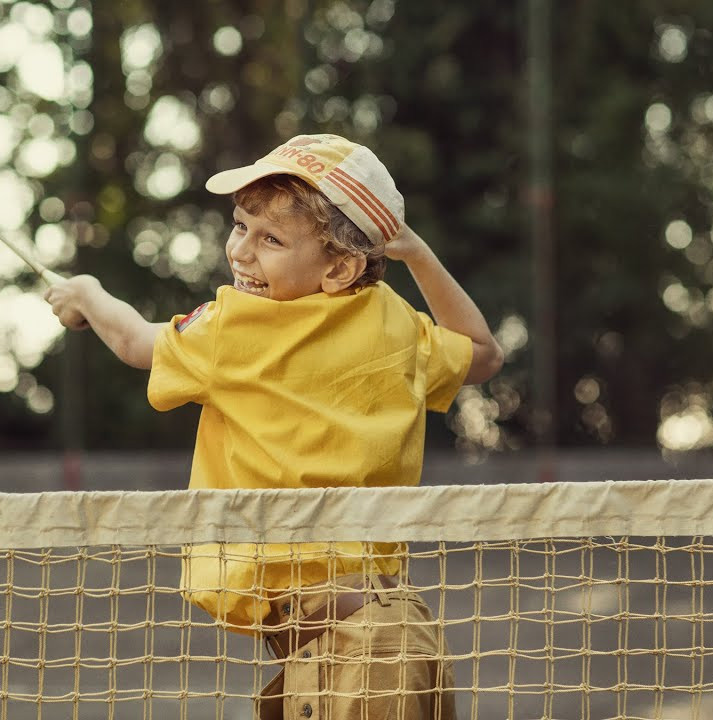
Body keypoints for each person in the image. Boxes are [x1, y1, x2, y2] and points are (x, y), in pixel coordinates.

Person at [43, 134, 503, 719]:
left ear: (340, 266)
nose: (242, 251)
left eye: (272, 239)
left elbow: (134, 340)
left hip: (353, 652)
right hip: (381, 637)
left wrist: (88, 293)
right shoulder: (397, 324)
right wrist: (416, 253)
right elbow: (484, 354)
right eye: (240, 226)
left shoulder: (234, 328)